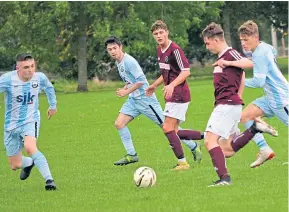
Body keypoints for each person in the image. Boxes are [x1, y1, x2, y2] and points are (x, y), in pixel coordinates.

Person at [104, 36, 202, 167]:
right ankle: (132, 154)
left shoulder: (129, 61)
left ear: (120, 47)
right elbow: (131, 80)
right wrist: (125, 88)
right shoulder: (119, 62)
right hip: (133, 100)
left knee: (168, 128)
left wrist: (126, 92)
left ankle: (194, 145)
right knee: (119, 123)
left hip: (146, 101)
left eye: (114, 48)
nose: (112, 51)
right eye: (109, 49)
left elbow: (141, 81)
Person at [201, 23, 277, 187]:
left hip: (226, 105)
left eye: (207, 43)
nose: (207, 47)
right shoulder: (224, 56)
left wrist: (228, 64)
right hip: (229, 105)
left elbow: (250, 64)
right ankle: (254, 129)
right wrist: (239, 97)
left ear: (216, 40)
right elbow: (241, 76)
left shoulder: (230, 54)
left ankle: (224, 179)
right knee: (226, 149)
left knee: (209, 140)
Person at [214, 20, 288, 168]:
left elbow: (258, 82)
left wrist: (236, 82)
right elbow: (269, 54)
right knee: (245, 116)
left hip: (282, 99)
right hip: (270, 98)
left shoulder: (260, 53)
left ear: (255, 37)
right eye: (241, 40)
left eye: (246, 40)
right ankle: (264, 149)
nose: (243, 43)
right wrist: (231, 64)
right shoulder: (264, 47)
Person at [146, 20, 204, 171]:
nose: (159, 36)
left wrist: (171, 85)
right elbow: (166, 72)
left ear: (167, 32)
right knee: (175, 131)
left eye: (161, 32)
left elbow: (186, 71)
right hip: (171, 95)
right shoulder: (160, 50)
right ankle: (207, 137)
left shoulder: (175, 50)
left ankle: (182, 163)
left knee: (167, 128)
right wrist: (155, 85)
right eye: (155, 34)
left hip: (179, 94)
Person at [0, 53, 57, 190]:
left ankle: (49, 180)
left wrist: (53, 105)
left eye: (32, 66)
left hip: (30, 120)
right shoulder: (8, 79)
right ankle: (30, 163)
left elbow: (49, 88)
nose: (30, 70)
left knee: (30, 147)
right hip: (11, 126)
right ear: (17, 68)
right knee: (15, 165)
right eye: (26, 67)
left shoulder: (40, 78)